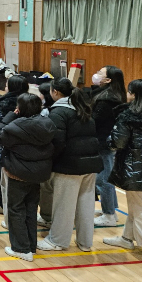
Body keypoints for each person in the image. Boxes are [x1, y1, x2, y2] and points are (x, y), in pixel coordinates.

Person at [38, 78, 103, 252]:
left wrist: (51, 161)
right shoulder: (82, 108)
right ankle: (85, 242)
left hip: (70, 166)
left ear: (55, 92)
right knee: (86, 205)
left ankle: (57, 241)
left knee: (64, 206)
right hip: (90, 164)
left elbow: (57, 142)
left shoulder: (59, 112)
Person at [0, 94, 56, 262]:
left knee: (16, 210)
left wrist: (10, 115)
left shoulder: (16, 125)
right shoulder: (48, 124)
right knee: (30, 209)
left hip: (18, 173)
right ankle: (31, 246)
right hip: (38, 174)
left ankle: (21, 248)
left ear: (19, 108)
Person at [103, 79, 142, 256]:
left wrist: (108, 141)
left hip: (136, 166)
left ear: (133, 94)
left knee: (141, 208)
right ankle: (127, 238)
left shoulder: (127, 115)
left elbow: (118, 142)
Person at [90, 66, 127, 227]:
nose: (96, 74)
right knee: (105, 177)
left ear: (108, 80)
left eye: (100, 73)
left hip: (104, 141)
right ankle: (112, 209)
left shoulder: (107, 99)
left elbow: (96, 120)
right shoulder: (112, 94)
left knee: (103, 179)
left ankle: (109, 214)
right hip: (107, 140)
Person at [0, 75, 29, 229]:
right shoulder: (31, 101)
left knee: (7, 188)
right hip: (27, 149)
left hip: (8, 149)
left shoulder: (5, 102)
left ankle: (9, 221)